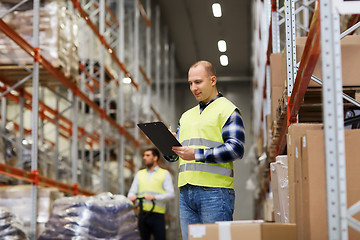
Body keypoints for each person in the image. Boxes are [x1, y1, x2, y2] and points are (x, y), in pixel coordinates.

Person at [166, 60, 245, 240]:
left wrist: (197, 154)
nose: (194, 88)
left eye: (198, 82)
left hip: (215, 193)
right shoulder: (186, 116)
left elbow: (236, 149)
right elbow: (175, 157)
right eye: (190, 83)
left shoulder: (227, 110)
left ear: (212, 80)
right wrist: (168, 144)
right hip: (186, 193)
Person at [128, 147, 175, 240]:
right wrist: (132, 197)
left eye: (147, 155)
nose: (144, 158)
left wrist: (155, 197)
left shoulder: (164, 174)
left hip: (157, 215)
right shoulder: (139, 174)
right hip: (142, 215)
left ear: (155, 158)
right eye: (144, 155)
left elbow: (171, 193)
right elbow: (131, 193)